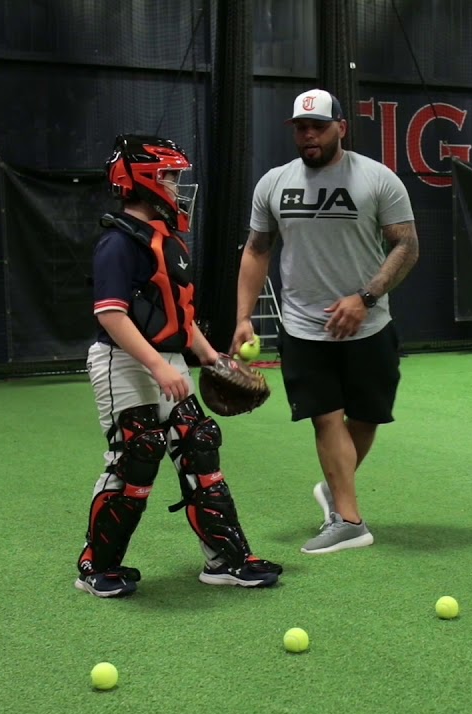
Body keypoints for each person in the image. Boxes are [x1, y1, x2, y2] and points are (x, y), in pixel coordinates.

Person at [76, 134, 282, 598]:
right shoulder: (118, 242)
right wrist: (156, 364)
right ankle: (97, 566)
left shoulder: (166, 240)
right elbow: (110, 314)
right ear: (141, 178)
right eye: (168, 174)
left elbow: (179, 317)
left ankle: (226, 560)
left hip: (167, 360)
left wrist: (210, 356)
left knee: (199, 444)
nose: (175, 184)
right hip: (123, 359)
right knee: (136, 454)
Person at [232, 89, 420, 555]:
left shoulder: (378, 179)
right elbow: (257, 250)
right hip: (302, 326)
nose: (309, 134)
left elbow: (407, 246)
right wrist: (242, 318)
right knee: (325, 418)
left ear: (341, 127)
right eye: (301, 127)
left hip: (369, 324)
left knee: (367, 417)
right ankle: (350, 520)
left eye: (318, 126)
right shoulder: (274, 183)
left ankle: (336, 490)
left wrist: (366, 297)